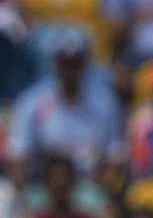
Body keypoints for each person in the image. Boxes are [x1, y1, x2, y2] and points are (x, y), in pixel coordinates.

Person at [7, 29, 124, 189]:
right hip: (44, 188)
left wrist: (102, 193)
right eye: (65, 62)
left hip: (90, 187)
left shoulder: (106, 102)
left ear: (84, 63)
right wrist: (25, 197)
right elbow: (17, 153)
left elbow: (115, 155)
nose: (70, 69)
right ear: (55, 63)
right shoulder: (32, 100)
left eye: (75, 62)